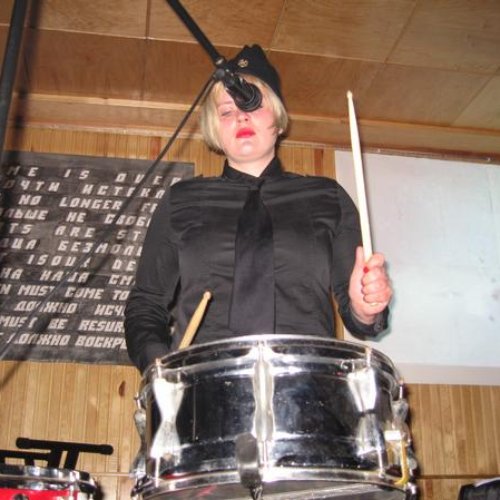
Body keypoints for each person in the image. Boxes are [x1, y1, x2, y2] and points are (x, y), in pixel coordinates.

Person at [124, 45, 392, 374]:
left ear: (277, 120)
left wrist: (366, 308)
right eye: (226, 111)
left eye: (252, 102)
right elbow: (146, 302)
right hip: (204, 384)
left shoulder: (328, 197)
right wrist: (161, 370)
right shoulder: (180, 201)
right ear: (215, 129)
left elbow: (360, 317)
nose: (240, 115)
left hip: (308, 381)